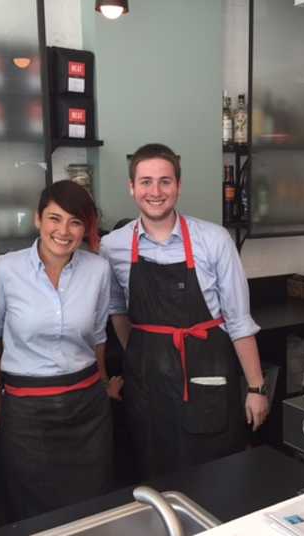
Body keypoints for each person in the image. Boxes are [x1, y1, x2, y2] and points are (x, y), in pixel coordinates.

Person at [99, 143, 268, 479]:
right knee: (154, 475)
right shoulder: (112, 246)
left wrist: (255, 388)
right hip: (147, 387)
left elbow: (238, 320)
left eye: (165, 181)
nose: (155, 191)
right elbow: (118, 310)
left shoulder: (215, 240)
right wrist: (144, 351)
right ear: (131, 187)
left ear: (178, 185)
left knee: (217, 478)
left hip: (208, 376)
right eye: (145, 182)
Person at [0, 180, 122, 521]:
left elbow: (98, 336)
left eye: (75, 222)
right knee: (31, 508)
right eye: (55, 219)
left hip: (87, 408)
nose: (64, 231)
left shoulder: (98, 270)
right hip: (26, 412)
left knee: (91, 505)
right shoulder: (5, 270)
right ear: (38, 220)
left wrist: (104, 385)